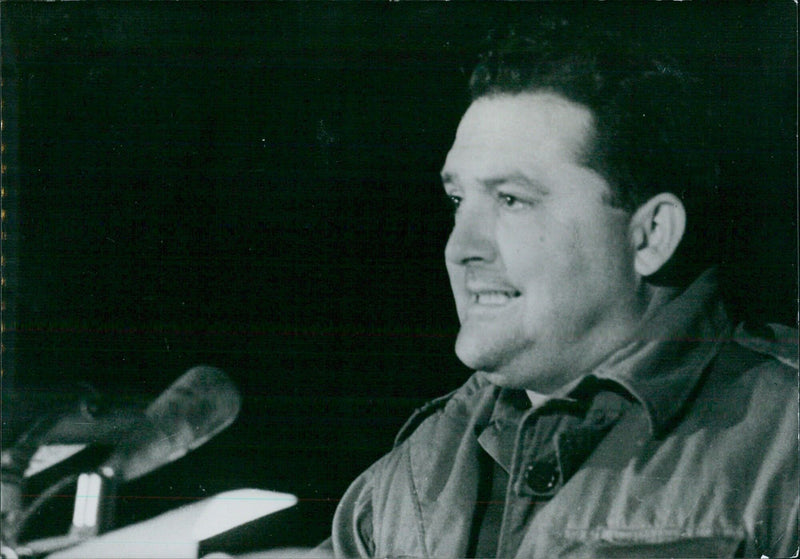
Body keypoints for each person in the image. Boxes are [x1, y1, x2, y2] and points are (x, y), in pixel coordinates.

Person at [316, 22, 798, 559]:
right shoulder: (413, 472)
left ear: (649, 236)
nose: (460, 248)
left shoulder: (785, 446)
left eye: (512, 201)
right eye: (458, 202)